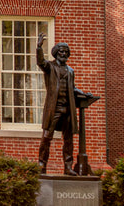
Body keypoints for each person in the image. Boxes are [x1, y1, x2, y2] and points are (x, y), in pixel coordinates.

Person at [35, 33, 91, 175]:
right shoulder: (50, 67)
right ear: (55, 53)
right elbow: (41, 62)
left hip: (68, 109)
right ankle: (42, 164)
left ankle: (68, 166)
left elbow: (72, 88)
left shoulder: (70, 71)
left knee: (68, 139)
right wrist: (39, 47)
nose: (63, 53)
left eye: (66, 51)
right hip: (54, 108)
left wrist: (84, 94)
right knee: (47, 136)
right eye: (61, 51)